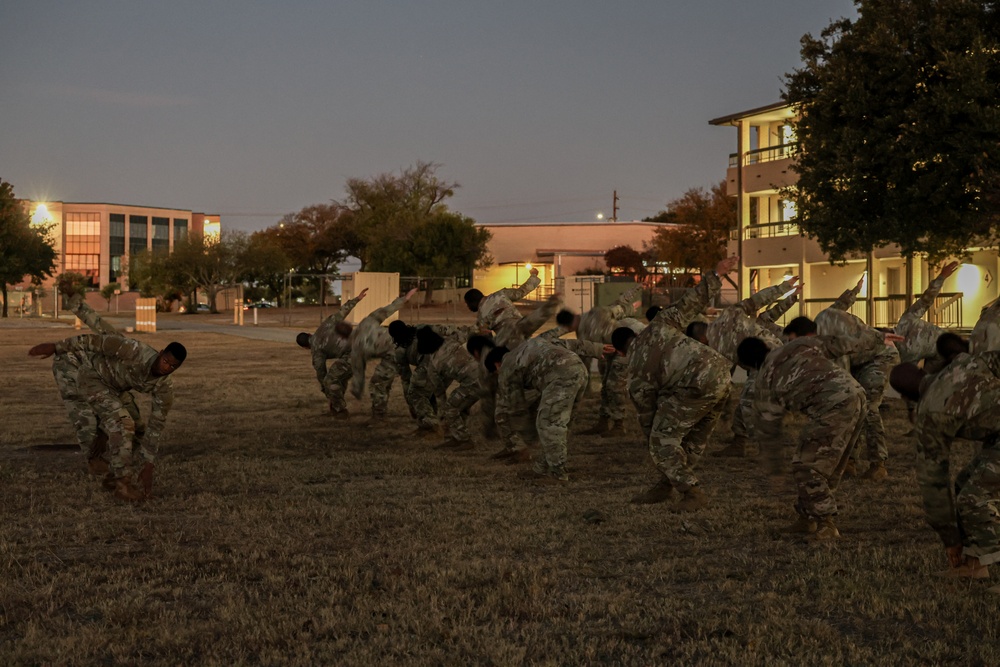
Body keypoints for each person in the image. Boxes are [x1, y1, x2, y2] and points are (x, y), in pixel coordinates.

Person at [611, 267, 733, 509]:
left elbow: (649, 419)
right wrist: (715, 275)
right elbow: (690, 302)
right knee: (693, 439)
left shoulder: (635, 370)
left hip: (694, 383)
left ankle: (691, 493)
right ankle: (667, 485)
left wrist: (657, 445)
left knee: (662, 441)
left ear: (620, 352)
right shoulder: (659, 325)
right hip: (721, 373)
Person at [738, 328, 868, 542]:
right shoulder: (795, 346)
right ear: (766, 347)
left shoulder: (763, 381)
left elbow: (767, 430)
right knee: (828, 464)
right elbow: (836, 342)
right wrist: (877, 338)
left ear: (747, 366)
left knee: (806, 466)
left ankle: (826, 523)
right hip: (857, 395)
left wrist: (774, 467)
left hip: (833, 405)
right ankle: (807, 517)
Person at [890, 337, 1000, 582]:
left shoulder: (929, 412)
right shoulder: (960, 363)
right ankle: (975, 565)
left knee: (974, 497)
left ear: (906, 396)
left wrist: (950, 540)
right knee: (965, 482)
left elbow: (934, 485)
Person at [29, 334, 186, 502]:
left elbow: (156, 424)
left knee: (139, 429)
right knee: (123, 423)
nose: (166, 367)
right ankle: (123, 486)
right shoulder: (134, 350)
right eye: (165, 361)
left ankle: (112, 475)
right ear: (160, 353)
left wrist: (149, 464)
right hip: (92, 378)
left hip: (115, 389)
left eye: (172, 366)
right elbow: (96, 342)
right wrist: (57, 347)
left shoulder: (164, 387)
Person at [486, 336, 606, 481]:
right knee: (559, 424)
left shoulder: (506, 366)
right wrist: (597, 349)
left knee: (548, 424)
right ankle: (542, 468)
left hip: (560, 375)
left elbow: (515, 406)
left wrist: (527, 435)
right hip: (579, 369)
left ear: (497, 365)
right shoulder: (532, 344)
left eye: (495, 372)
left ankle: (557, 474)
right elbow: (568, 342)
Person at [706, 273, 800, 458]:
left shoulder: (717, 344)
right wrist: (786, 290)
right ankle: (740, 443)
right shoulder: (736, 318)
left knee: (748, 405)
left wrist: (785, 289)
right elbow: (758, 300)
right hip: (771, 362)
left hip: (768, 363)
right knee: (745, 404)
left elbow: (759, 301)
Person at [55, 288, 145, 473]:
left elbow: (125, 399)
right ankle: (94, 459)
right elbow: (97, 322)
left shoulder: (146, 373)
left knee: (135, 424)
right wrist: (74, 302)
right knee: (85, 413)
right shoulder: (121, 346)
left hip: (107, 379)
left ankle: (116, 451)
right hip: (73, 364)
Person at [813, 303, 900, 480]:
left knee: (867, 407)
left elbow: (843, 382)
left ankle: (878, 464)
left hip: (881, 356)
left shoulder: (830, 339)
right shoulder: (823, 321)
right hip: (861, 360)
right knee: (854, 407)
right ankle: (850, 461)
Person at [557, 284, 643, 436]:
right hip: (616, 349)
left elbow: (584, 361)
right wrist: (633, 301)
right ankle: (604, 421)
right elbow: (619, 306)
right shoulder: (596, 312)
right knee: (606, 388)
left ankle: (618, 425)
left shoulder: (583, 333)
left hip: (624, 350)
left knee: (614, 387)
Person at [296, 288, 368, 418]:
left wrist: (327, 392)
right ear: (309, 333)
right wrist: (357, 299)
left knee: (330, 381)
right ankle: (335, 406)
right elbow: (341, 312)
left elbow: (321, 373)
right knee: (339, 376)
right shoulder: (324, 326)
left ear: (305, 347)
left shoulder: (316, 350)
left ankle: (340, 411)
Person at [348, 288, 418, 420]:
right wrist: (405, 299)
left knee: (378, 384)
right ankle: (418, 410)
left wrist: (357, 390)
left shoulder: (356, 349)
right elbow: (387, 310)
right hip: (403, 343)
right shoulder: (366, 322)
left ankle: (379, 415)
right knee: (407, 381)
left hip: (393, 354)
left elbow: (358, 372)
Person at [409, 327, 482, 450]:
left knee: (451, 408)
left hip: (474, 383)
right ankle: (457, 436)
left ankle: (463, 440)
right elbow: (465, 332)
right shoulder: (450, 341)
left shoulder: (433, 364)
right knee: (460, 406)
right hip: (483, 377)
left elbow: (439, 391)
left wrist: (443, 412)